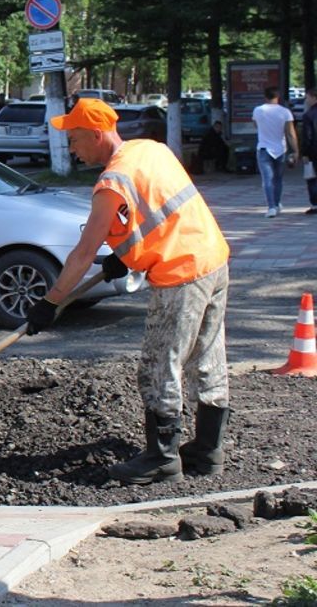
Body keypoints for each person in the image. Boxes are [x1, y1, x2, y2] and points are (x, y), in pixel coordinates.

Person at [24, 99, 230, 486]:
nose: (71, 148)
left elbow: (84, 253)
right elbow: (159, 213)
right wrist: (125, 255)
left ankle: (162, 459)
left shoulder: (112, 182)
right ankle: (208, 450)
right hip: (213, 259)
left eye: (75, 138)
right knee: (207, 356)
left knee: (157, 367)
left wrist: (51, 302)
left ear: (97, 134)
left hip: (180, 273)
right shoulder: (151, 150)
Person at [251, 86, 298, 217]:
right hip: (280, 149)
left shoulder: (258, 110)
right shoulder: (285, 112)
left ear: (265, 96)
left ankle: (271, 206)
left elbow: (256, 125)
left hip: (264, 148)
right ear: (278, 97)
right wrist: (296, 151)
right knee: (278, 179)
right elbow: (290, 133)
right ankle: (276, 204)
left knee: (267, 179)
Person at [301, 88, 317, 215]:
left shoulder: (309, 115)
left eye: (307, 97)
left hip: (314, 151)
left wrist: (304, 153)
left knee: (312, 178)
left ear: (314, 98)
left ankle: (315, 205)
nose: (306, 100)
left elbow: (308, 136)